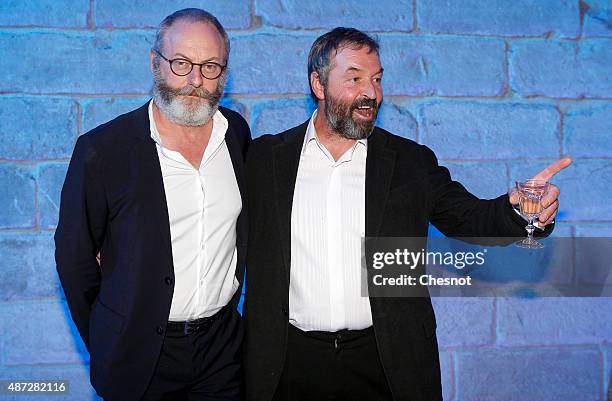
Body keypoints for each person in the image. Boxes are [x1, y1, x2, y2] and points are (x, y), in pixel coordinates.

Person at [243, 27, 571, 401]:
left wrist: (522, 211)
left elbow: (471, 217)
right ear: (318, 84)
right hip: (288, 364)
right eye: (354, 79)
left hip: (386, 362)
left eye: (377, 79)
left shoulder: (409, 163)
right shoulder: (265, 160)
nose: (371, 93)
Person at [55, 8, 250, 401]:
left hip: (222, 352)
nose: (195, 80)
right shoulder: (103, 150)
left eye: (210, 66)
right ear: (154, 63)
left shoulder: (237, 135)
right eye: (181, 64)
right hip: (140, 356)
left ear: (224, 72)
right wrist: (110, 336)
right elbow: (74, 260)